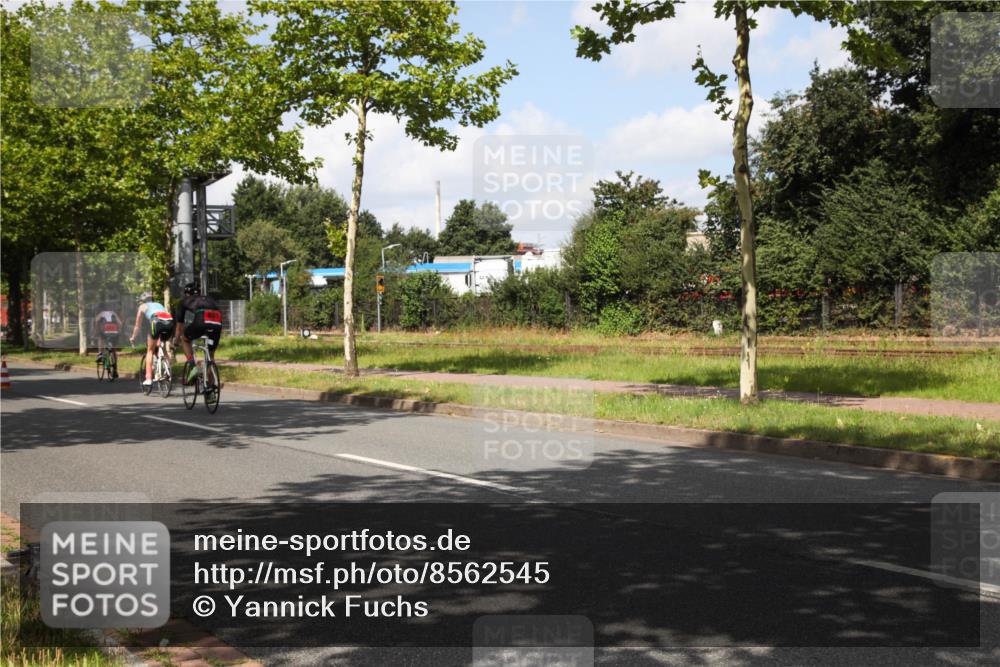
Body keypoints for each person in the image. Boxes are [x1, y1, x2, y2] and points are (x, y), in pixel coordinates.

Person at [173, 282, 222, 387]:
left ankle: (192, 365)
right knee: (210, 355)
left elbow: (179, 326)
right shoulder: (209, 298)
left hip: (201, 319)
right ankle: (210, 388)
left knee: (185, 339)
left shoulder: (184, 301)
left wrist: (176, 341)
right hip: (217, 321)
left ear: (186, 294)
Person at [129, 292, 174, 388]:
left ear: (142, 300)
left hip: (156, 321)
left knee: (150, 350)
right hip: (169, 321)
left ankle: (148, 378)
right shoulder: (159, 304)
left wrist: (133, 337)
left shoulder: (142, 306)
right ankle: (168, 371)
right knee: (163, 348)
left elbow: (137, 325)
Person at [92, 303, 122, 369]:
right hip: (114, 330)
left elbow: (96, 321)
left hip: (105, 330)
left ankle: (100, 354)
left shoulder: (101, 313)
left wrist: (95, 332)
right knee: (113, 349)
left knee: (100, 339)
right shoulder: (113, 313)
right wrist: (118, 331)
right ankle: (115, 368)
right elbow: (120, 323)